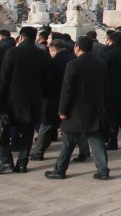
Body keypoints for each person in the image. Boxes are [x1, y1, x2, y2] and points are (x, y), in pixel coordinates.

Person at [45, 36, 110, 180]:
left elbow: (67, 89)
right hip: (95, 108)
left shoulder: (73, 64)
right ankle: (103, 170)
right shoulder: (100, 63)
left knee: (68, 142)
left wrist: (62, 110)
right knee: (96, 140)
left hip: (75, 110)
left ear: (78, 47)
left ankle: (59, 170)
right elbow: (105, 86)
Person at [0, 26, 50, 174]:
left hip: (10, 99)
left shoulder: (12, 52)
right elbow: (47, 79)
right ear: (35, 38)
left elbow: (3, 78)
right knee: (28, 132)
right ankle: (22, 162)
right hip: (32, 100)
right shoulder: (43, 55)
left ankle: (6, 162)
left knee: (2, 130)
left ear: (21, 37)